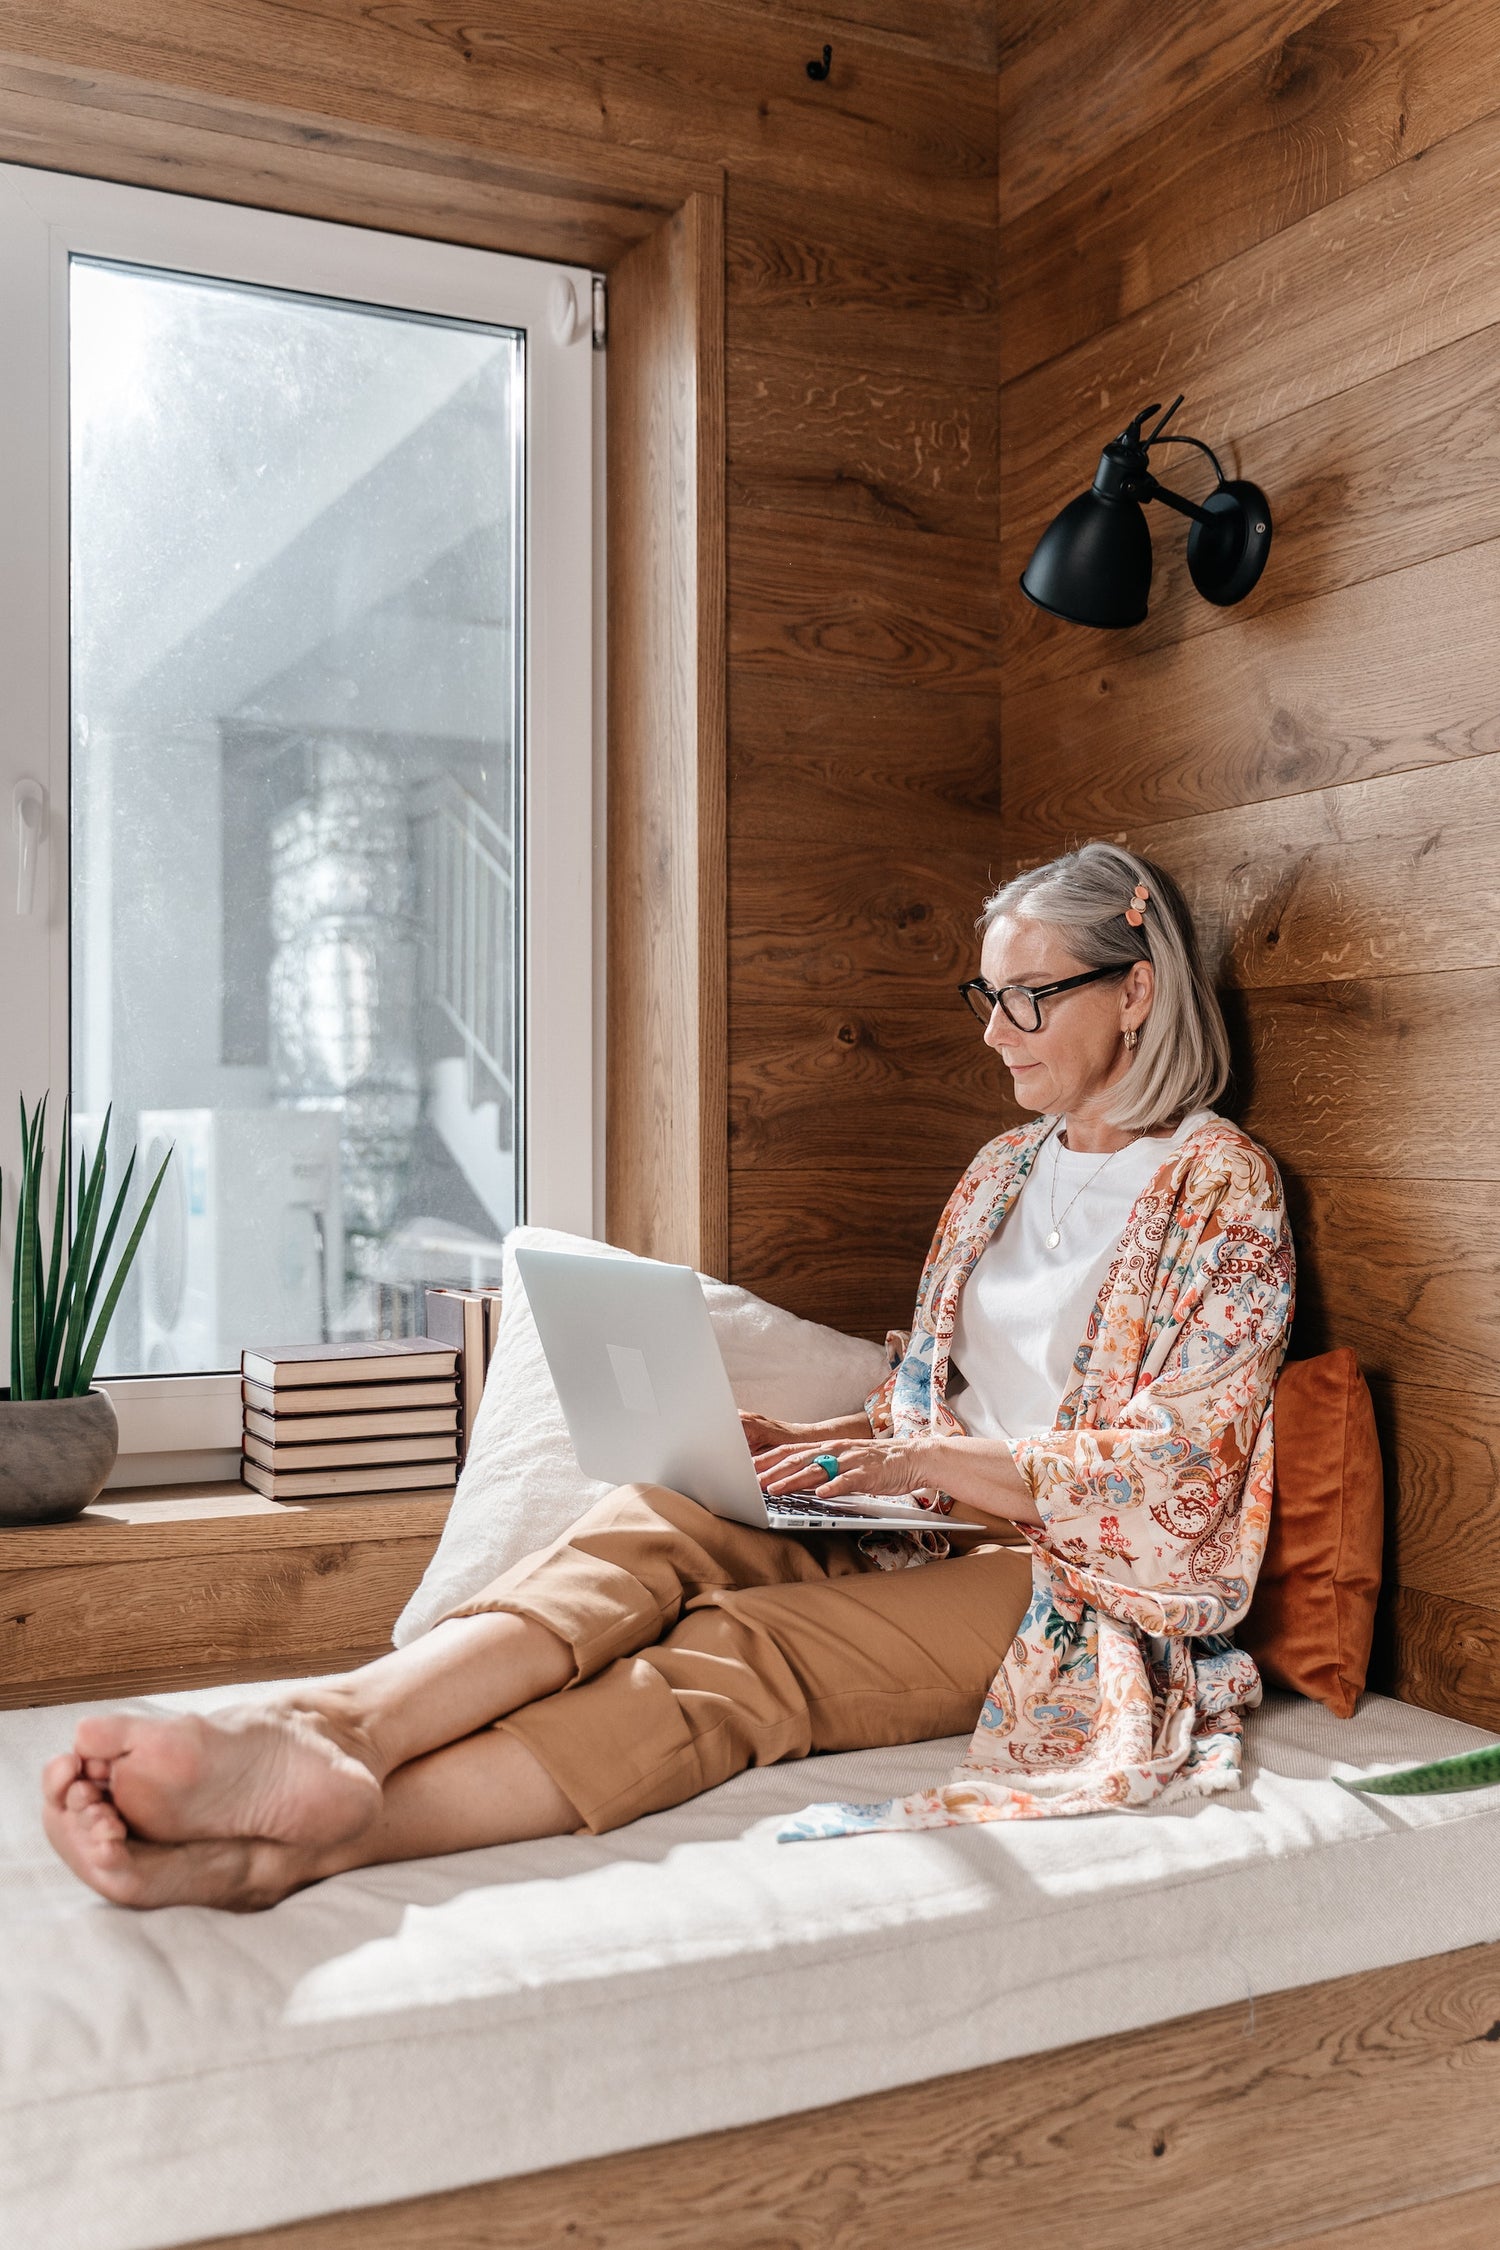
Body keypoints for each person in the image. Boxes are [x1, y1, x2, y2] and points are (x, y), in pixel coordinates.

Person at [42, 841, 1293, 1909]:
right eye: (988, 991)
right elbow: (938, 1388)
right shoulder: (1001, 1174)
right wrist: (819, 1446)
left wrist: (934, 1462)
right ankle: (327, 1727)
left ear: (1135, 992)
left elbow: (1189, 1467)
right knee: (656, 1516)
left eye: (1030, 997)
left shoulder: (1222, 1185)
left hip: (1067, 1579)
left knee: (742, 1645)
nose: (990, 1028)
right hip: (921, 1514)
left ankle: (328, 1836)